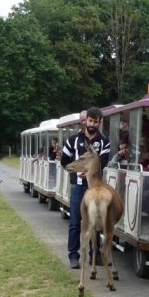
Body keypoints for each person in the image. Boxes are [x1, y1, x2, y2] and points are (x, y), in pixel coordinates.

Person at [60, 107, 110, 269]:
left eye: (96, 122)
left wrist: (89, 172)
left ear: (99, 122)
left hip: (95, 188)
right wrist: (75, 172)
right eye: (90, 121)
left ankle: (94, 256)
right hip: (77, 186)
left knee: (95, 223)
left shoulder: (104, 142)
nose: (92, 124)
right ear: (85, 120)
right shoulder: (73, 139)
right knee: (75, 222)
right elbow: (64, 160)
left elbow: (103, 162)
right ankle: (73, 256)